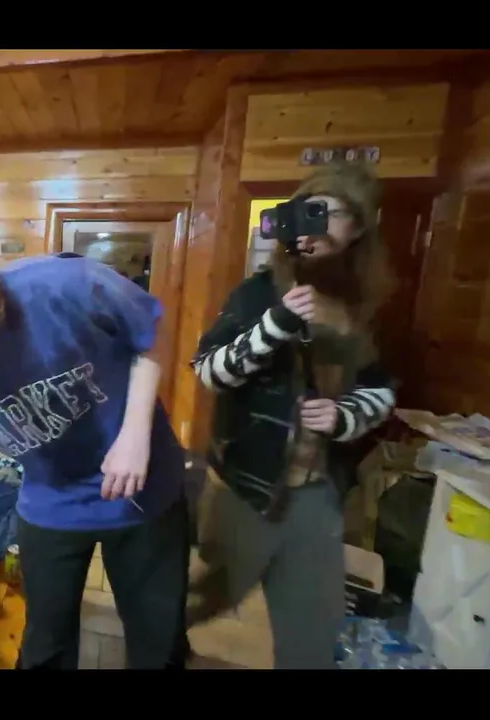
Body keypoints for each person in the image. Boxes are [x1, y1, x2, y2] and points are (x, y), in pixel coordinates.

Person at [0, 214, 191, 670]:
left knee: (157, 643)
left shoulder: (64, 285)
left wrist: (134, 432)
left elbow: (150, 332)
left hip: (141, 487)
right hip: (50, 501)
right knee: (45, 647)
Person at [190, 162, 396, 669]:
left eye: (332, 213)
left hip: (317, 493)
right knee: (201, 600)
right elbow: (210, 372)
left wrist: (345, 416)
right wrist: (275, 324)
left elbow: (380, 390)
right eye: (309, 210)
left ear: (358, 228)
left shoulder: (359, 307)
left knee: (311, 633)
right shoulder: (257, 292)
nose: (316, 225)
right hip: (244, 485)